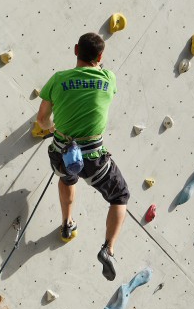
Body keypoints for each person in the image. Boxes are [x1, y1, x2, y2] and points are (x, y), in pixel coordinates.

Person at [35, 32, 129, 281]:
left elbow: (42, 120)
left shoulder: (58, 79)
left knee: (67, 178)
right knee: (119, 197)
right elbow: (101, 84)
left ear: (75, 50)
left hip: (62, 153)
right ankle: (108, 250)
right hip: (94, 158)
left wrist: (52, 128)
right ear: (100, 57)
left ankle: (67, 224)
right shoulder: (109, 79)